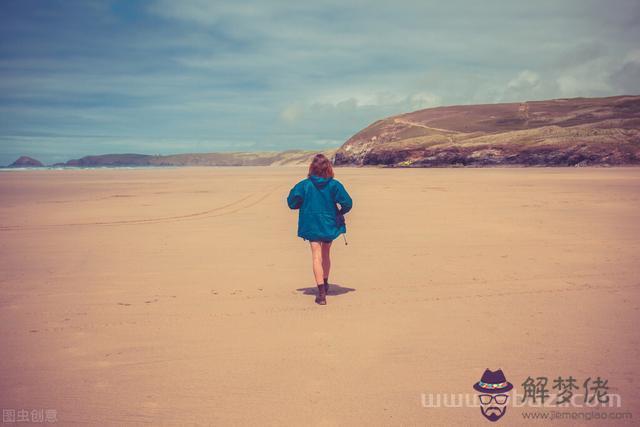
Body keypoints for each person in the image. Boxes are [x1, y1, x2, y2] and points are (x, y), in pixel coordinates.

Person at [287, 154, 353, 305]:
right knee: (326, 253)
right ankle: (325, 282)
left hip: (312, 223)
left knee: (316, 256)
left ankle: (321, 293)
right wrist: (339, 212)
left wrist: (302, 204)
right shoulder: (334, 185)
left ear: (312, 168)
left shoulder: (304, 185)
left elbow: (291, 202)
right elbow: (348, 203)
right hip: (329, 223)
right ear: (328, 168)